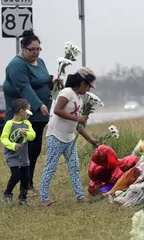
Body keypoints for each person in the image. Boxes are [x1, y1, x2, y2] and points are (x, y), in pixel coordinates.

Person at [38, 68, 99, 206]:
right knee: (51, 167)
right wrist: (77, 117)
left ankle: (80, 196)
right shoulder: (67, 92)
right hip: (56, 135)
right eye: (88, 85)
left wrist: (90, 139)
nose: (89, 89)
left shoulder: (78, 98)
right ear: (82, 83)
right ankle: (43, 198)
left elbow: (76, 123)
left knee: (74, 167)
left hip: (69, 137)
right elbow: (57, 110)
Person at [3, 29, 53, 197]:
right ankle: (20, 188)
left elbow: (43, 81)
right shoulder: (16, 65)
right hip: (22, 117)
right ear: (23, 48)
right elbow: (25, 88)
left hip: (39, 116)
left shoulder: (41, 62)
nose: (36, 52)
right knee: (23, 153)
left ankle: (29, 184)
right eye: (32, 49)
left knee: (35, 150)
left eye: (38, 49)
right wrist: (39, 105)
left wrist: (53, 81)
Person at [0, 99, 36, 206]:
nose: (29, 114)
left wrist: (26, 134)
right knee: (16, 176)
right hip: (12, 156)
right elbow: (4, 138)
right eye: (28, 111)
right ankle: (7, 194)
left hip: (24, 156)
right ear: (22, 112)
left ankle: (23, 198)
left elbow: (32, 135)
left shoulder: (27, 123)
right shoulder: (9, 124)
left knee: (26, 178)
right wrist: (12, 145)